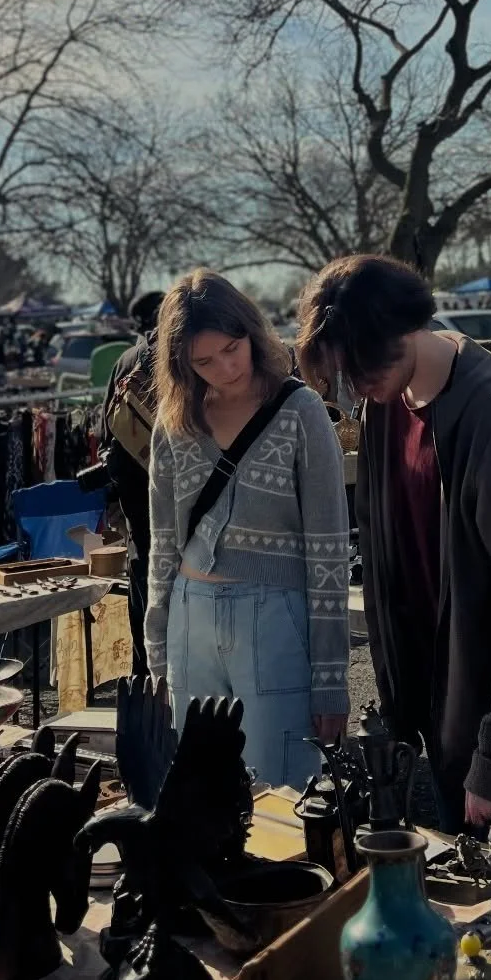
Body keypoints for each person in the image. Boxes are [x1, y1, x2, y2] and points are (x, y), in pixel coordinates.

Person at [297, 254, 491, 831]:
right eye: (345, 375)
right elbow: (386, 564)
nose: (358, 388)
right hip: (441, 713)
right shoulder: (384, 407)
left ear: (406, 328)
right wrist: (398, 710)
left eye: (362, 368)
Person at [145, 269, 350, 789]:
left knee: (280, 792)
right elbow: (161, 545)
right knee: (197, 796)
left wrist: (331, 682)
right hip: (189, 618)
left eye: (232, 349)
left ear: (252, 332)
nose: (225, 368)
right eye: (204, 362)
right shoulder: (175, 420)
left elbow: (328, 551)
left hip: (274, 618)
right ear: (181, 364)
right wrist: (157, 656)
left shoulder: (301, 410)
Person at [102, 289, 165, 676]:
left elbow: (106, 434)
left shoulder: (125, 362)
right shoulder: (176, 357)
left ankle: (145, 677)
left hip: (134, 490)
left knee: (142, 569)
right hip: (174, 484)